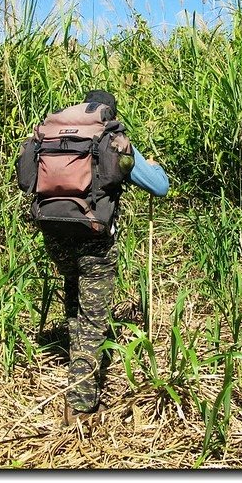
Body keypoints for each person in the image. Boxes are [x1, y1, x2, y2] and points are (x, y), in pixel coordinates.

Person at [40, 89, 169, 426]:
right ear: (109, 111)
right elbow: (158, 186)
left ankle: (75, 361)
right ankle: (81, 406)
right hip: (94, 236)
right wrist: (152, 167)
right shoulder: (111, 137)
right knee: (94, 319)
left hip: (53, 229)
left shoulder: (52, 132)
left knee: (75, 299)